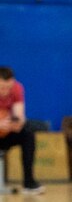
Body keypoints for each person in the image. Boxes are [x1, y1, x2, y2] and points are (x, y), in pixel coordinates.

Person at [0, 66, 44, 194]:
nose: (5, 91)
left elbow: (19, 115)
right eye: (2, 88)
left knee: (28, 135)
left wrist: (16, 123)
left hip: (6, 132)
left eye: (8, 87)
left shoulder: (17, 88)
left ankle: (29, 182)